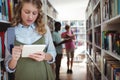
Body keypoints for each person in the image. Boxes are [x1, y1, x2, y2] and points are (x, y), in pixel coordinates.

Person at [4, 0, 56, 80]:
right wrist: (14, 59)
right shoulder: (10, 33)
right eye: (27, 12)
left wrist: (45, 56)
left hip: (44, 75)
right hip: (22, 76)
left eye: (34, 13)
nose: (30, 17)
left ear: (38, 13)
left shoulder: (44, 29)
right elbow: (10, 68)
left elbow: (52, 53)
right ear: (19, 10)